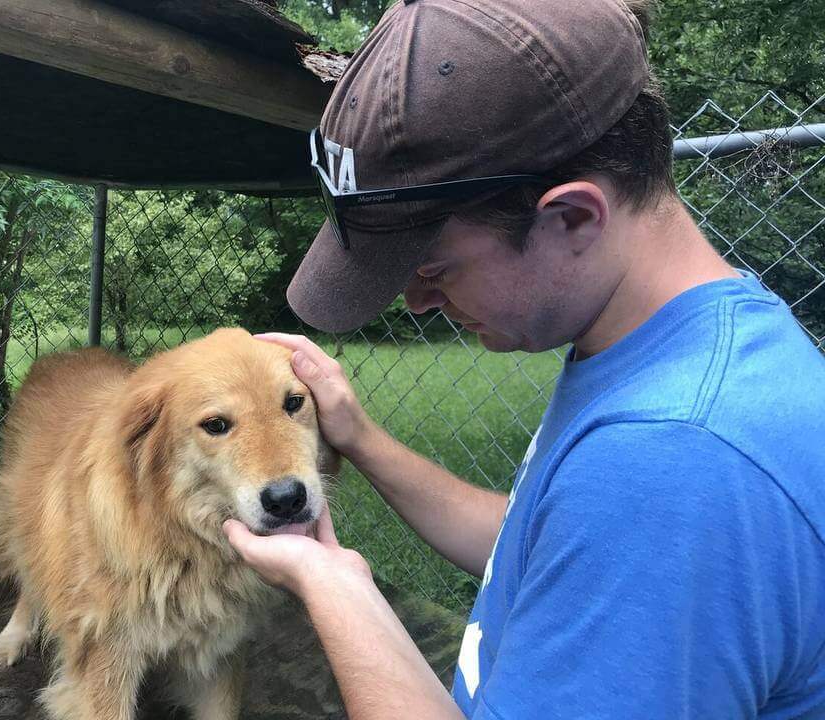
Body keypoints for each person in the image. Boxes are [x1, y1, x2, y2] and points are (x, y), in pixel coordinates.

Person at [223, 0, 825, 717]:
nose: (414, 303)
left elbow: (627, 527)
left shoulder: (674, 460)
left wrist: (334, 585)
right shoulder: (671, 347)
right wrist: (360, 437)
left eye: (434, 268)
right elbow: (542, 553)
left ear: (571, 217)